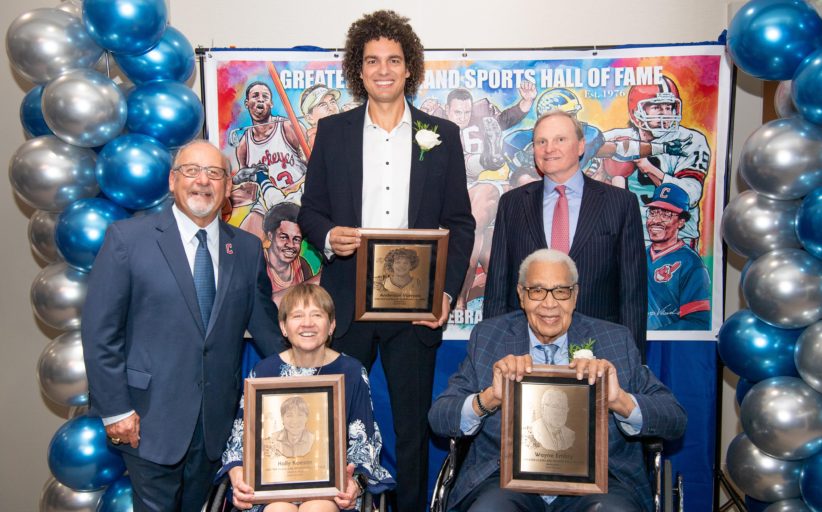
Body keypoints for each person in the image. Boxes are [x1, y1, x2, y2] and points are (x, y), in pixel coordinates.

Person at [298, 10, 475, 511]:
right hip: (348, 299)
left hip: (415, 305)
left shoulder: (442, 135)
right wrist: (330, 235)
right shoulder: (332, 132)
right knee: (335, 421)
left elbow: (461, 222)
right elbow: (311, 212)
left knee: (413, 427)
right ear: (358, 69)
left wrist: (444, 294)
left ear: (409, 68)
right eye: (372, 60)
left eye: (393, 60)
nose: (382, 69)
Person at [81, 140, 285, 511]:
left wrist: (309, 375)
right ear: (173, 181)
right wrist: (115, 410)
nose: (202, 181)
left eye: (214, 173)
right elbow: (100, 333)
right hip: (147, 420)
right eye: (191, 171)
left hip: (215, 425)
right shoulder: (128, 240)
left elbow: (267, 331)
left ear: (227, 188)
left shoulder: (247, 249)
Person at [429, 249, 687, 511]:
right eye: (537, 291)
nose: (549, 304)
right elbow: (439, 417)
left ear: (574, 295)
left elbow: (674, 418)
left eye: (561, 291)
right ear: (521, 294)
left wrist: (620, 401)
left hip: (602, 483)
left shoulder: (614, 340)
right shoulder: (489, 338)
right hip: (503, 482)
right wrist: (488, 399)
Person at [483, 109, 648, 355]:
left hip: (600, 349)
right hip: (523, 352)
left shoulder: (620, 204)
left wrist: (632, 361)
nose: (549, 148)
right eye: (541, 141)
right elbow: (497, 286)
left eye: (560, 139)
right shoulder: (512, 204)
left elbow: (632, 292)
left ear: (581, 146)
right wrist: (493, 354)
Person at [222, 283, 395, 512]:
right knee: (279, 510)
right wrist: (237, 475)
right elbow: (239, 439)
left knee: (317, 508)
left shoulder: (352, 372)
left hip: (333, 491)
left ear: (331, 325)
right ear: (283, 327)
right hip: (272, 491)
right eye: (297, 316)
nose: (307, 323)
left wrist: (354, 483)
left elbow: (365, 443)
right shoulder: (264, 372)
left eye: (317, 315)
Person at [600, 75, 711, 247]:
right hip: (628, 236)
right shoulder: (618, 139)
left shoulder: (690, 140)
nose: (665, 114)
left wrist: (648, 168)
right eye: (657, 108)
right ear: (636, 112)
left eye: (669, 107)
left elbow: (690, 196)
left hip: (675, 239)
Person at [232, 81, 308, 239]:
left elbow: (313, 164)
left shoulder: (288, 127)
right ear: (247, 103)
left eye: (265, 96)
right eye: (255, 96)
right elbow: (248, 188)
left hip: (298, 193)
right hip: (266, 201)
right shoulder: (243, 146)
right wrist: (241, 178)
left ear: (271, 103)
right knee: (244, 238)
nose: (260, 99)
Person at [644, 183, 711, 330]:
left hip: (670, 347)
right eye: (653, 212)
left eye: (666, 214)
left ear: (681, 221)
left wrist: (654, 336)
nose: (656, 220)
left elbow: (698, 322)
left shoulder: (691, 263)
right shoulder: (638, 256)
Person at [262, 202, 319, 305]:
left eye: (296, 239)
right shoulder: (258, 263)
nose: (290, 245)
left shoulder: (302, 266)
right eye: (284, 237)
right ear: (270, 236)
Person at [300, 84, 342, 148]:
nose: (331, 108)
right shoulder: (314, 139)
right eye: (322, 105)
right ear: (309, 118)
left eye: (332, 102)